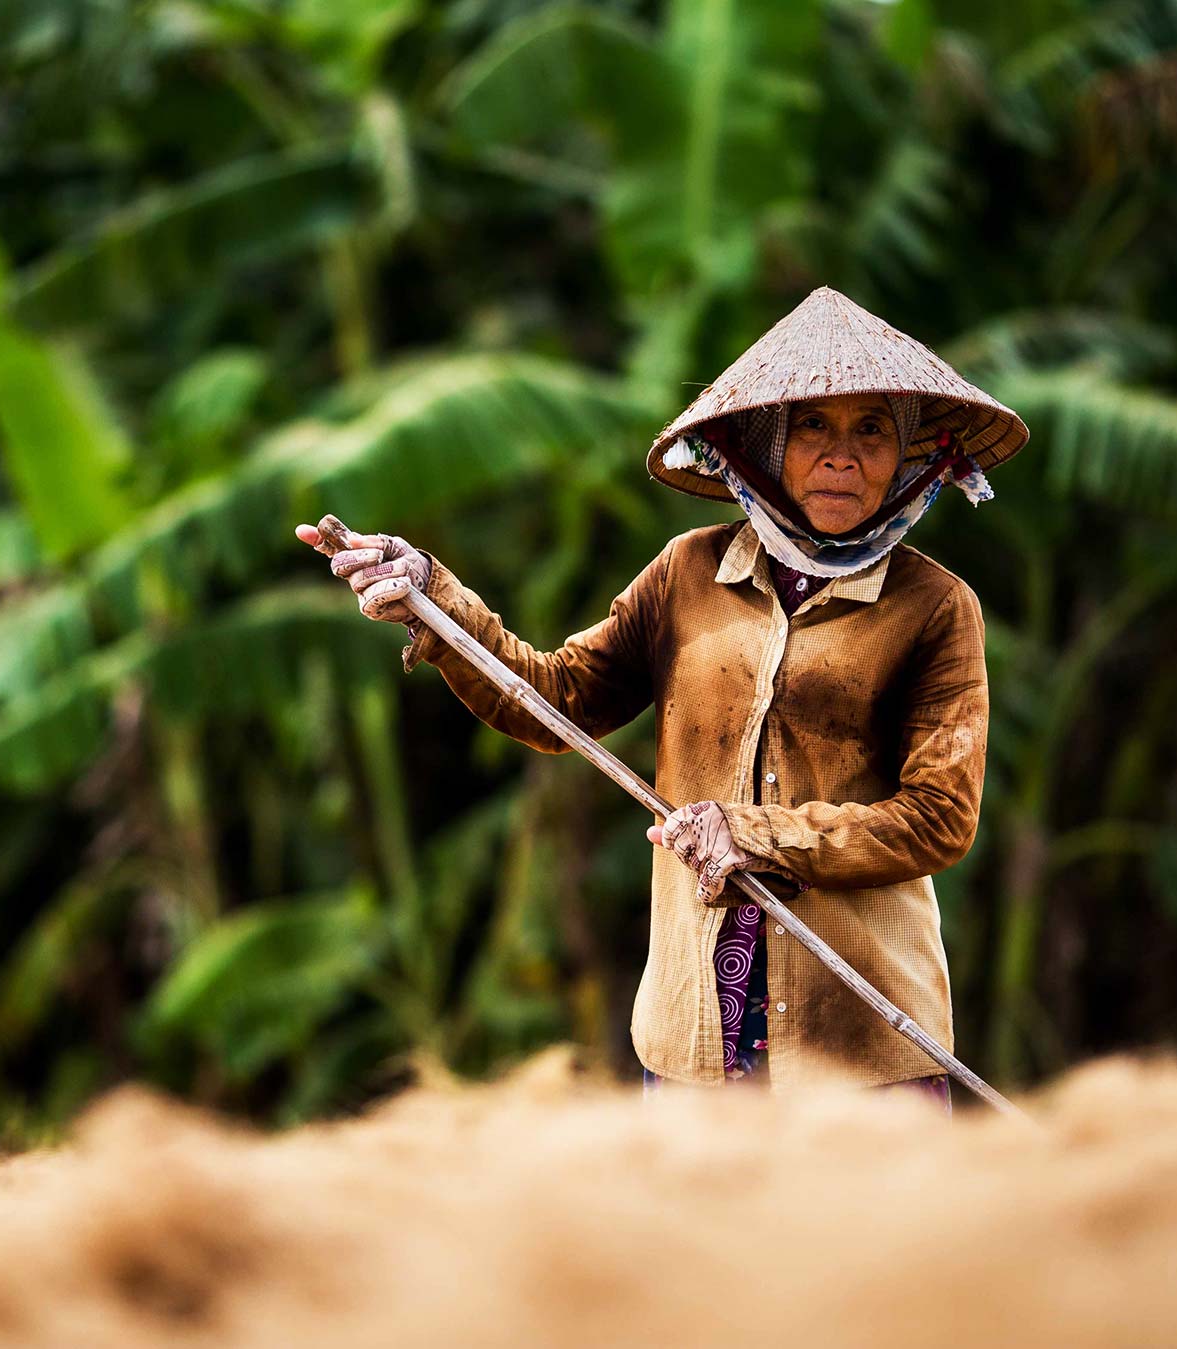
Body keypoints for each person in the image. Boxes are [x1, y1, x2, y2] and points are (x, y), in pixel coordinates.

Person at [297, 286, 1029, 1112]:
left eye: (871, 430)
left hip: (861, 1044)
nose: (841, 455)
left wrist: (751, 834)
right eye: (814, 428)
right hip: (694, 1042)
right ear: (765, 443)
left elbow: (939, 815)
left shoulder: (935, 607)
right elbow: (559, 699)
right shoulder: (686, 574)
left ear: (911, 456)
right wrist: (436, 600)